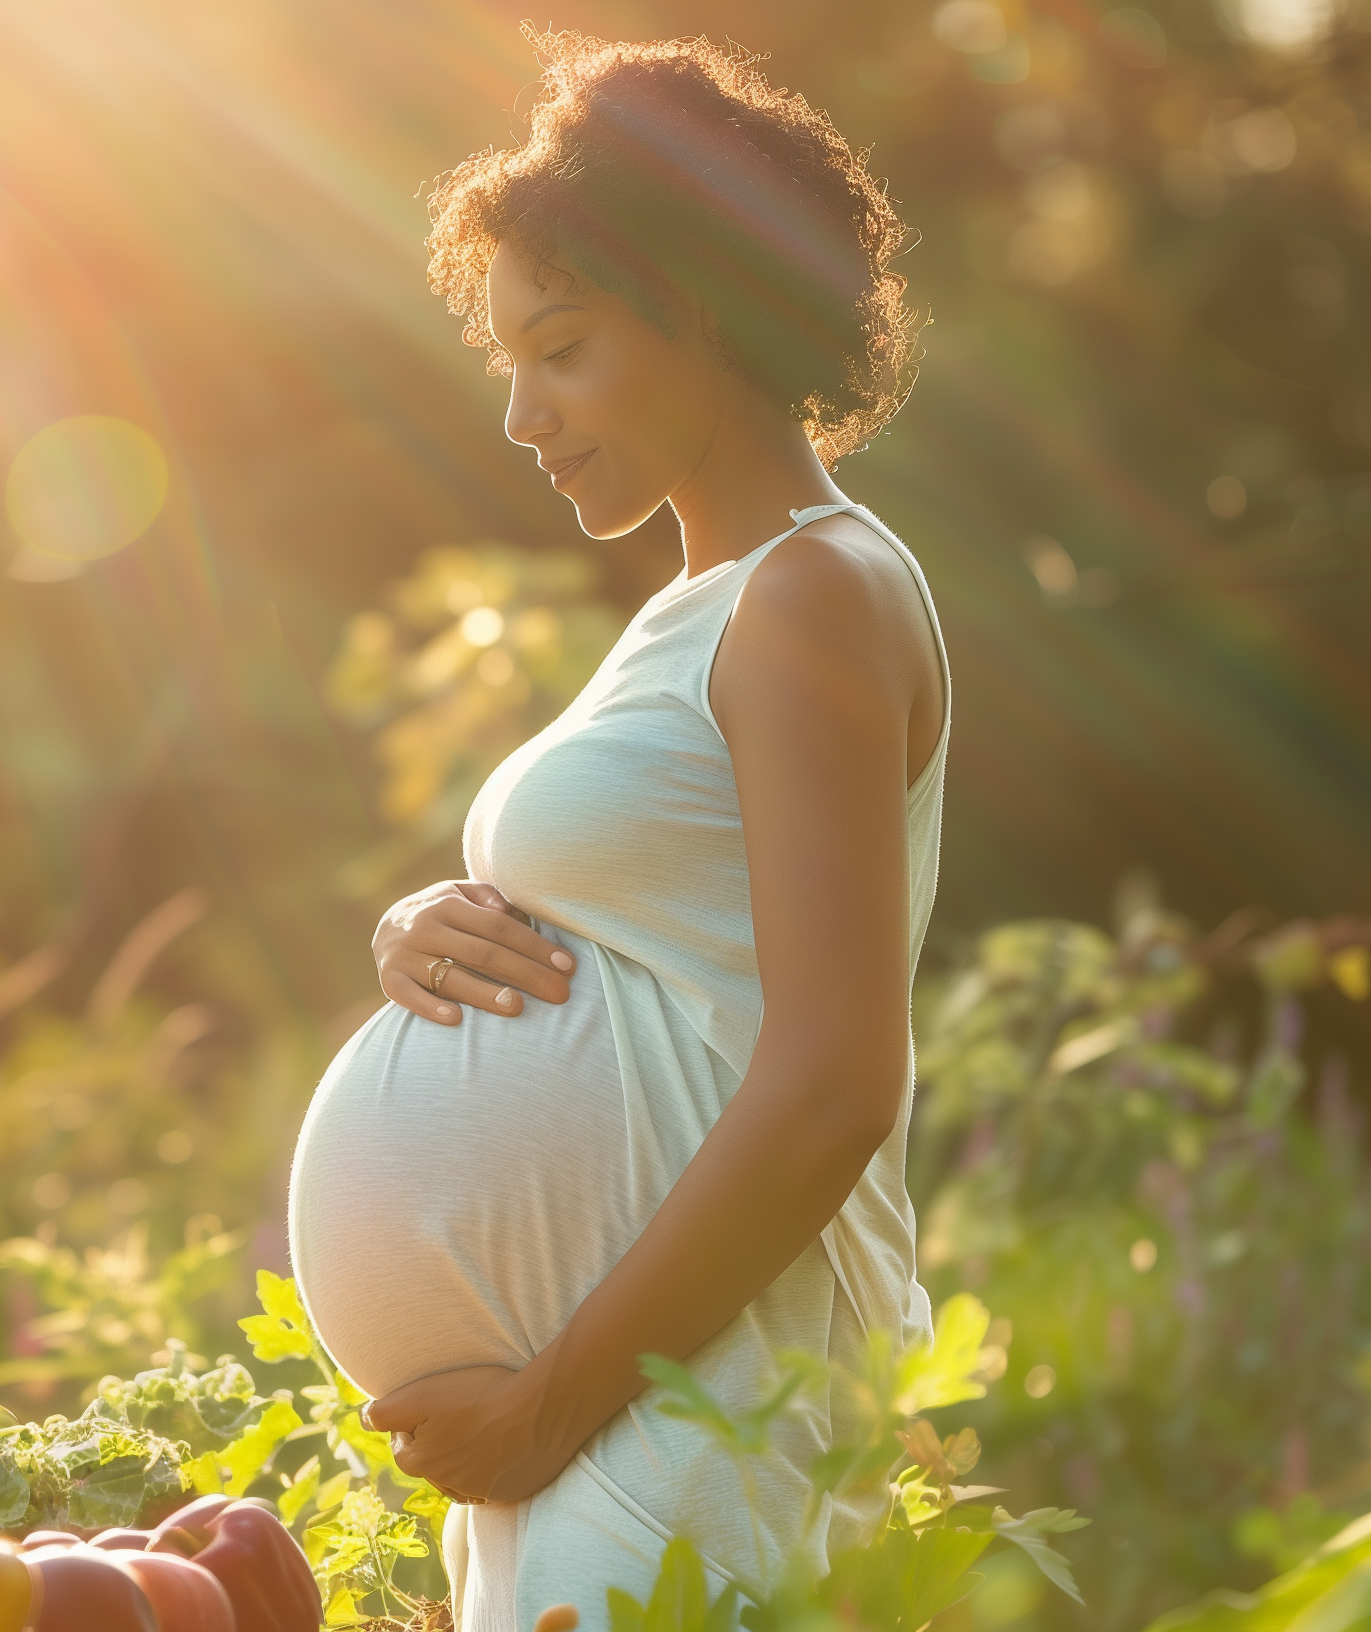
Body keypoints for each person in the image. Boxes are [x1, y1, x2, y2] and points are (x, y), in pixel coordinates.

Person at [283, 30, 944, 1631]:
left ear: (699, 307)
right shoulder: (711, 604)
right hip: (622, 1411)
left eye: (560, 349)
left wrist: (552, 1403)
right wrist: (423, 925)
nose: (521, 414)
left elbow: (839, 1072)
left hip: (692, 1408)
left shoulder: (812, 594)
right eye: (508, 360)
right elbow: (665, 920)